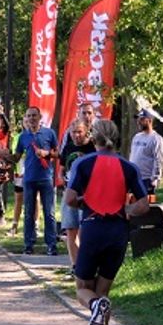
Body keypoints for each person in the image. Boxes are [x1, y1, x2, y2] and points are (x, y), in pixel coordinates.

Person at [64, 118, 150, 325]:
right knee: (103, 291)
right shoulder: (129, 167)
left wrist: (86, 201)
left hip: (92, 227)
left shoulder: (84, 163)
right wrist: (126, 210)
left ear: (94, 137)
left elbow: (69, 199)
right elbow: (144, 203)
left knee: (83, 288)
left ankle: (94, 307)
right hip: (118, 231)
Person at [13, 106, 59, 256]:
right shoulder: (23, 136)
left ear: (40, 117)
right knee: (28, 213)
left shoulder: (49, 133)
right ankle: (28, 244)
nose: (31, 118)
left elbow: (58, 153)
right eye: (29, 116)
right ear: (26, 118)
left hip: (46, 178)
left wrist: (47, 153)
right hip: (29, 179)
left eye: (34, 115)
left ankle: (51, 244)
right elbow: (17, 156)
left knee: (49, 213)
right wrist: (5, 156)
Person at [59, 118, 96, 277]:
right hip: (70, 190)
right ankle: (74, 264)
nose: (76, 135)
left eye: (79, 132)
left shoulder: (92, 147)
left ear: (86, 131)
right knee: (70, 228)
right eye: (73, 132)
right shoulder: (68, 147)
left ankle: (85, 263)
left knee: (84, 229)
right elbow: (61, 167)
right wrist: (62, 178)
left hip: (86, 193)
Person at [129, 109, 163, 199]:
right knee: (132, 207)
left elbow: (158, 159)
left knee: (147, 208)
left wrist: (154, 179)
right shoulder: (136, 137)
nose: (138, 122)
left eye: (141, 119)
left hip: (146, 180)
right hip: (133, 179)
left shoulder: (156, 139)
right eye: (138, 119)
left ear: (149, 120)